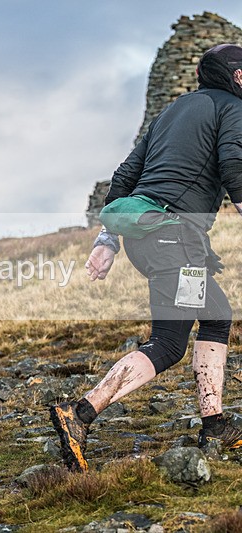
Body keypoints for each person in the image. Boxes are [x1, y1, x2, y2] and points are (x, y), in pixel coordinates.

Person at [51, 43, 242, 473]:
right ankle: (79, 414)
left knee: (216, 314)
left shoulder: (171, 112)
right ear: (238, 76)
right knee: (169, 343)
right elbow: (234, 164)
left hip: (148, 235)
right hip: (175, 237)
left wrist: (107, 240)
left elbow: (125, 177)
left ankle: (214, 425)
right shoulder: (232, 108)